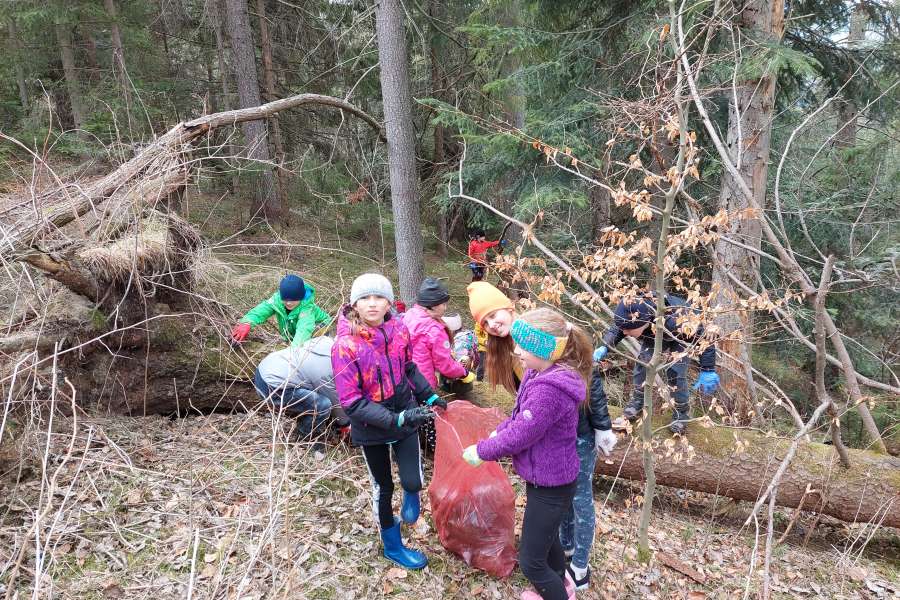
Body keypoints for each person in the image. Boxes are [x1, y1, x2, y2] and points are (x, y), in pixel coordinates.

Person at [462, 308, 592, 600]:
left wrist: (482, 451)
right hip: (544, 479)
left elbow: (522, 435)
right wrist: (499, 431)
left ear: (544, 349)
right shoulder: (537, 371)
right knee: (548, 543)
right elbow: (520, 417)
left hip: (552, 485)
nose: (516, 350)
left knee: (532, 562)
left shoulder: (550, 390)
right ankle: (564, 586)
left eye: (524, 346)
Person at [330, 273, 446, 570]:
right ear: (354, 303)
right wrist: (395, 419)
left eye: (379, 297)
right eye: (365, 298)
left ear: (388, 302)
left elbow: (408, 367)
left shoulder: (398, 330)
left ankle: (412, 492)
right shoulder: (345, 346)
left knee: (412, 479)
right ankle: (393, 546)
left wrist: (429, 397)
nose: (372, 304)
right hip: (372, 428)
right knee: (384, 487)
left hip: (404, 414)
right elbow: (352, 402)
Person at [593, 292, 719, 434]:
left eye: (629, 330)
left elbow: (705, 339)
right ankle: (637, 403)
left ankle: (681, 414)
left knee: (675, 372)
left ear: (643, 321)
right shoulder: (634, 310)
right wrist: (605, 345)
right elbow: (619, 328)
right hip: (653, 332)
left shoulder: (678, 321)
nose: (625, 333)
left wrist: (708, 369)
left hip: (679, 336)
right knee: (643, 364)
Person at [559, 366, 616, 590]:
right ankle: (567, 546)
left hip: (581, 437)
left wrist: (603, 428)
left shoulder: (574, 348)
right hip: (559, 437)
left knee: (581, 500)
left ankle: (580, 567)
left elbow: (595, 389)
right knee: (564, 494)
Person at [403, 278, 476, 450]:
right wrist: (464, 372)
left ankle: (414, 444)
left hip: (402, 378)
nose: (445, 307)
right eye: (443, 304)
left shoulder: (410, 315)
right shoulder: (434, 330)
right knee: (429, 419)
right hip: (422, 382)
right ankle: (438, 451)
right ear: (433, 305)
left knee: (410, 415)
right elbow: (445, 366)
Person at [253, 336, 351, 454]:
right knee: (322, 404)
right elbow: (335, 402)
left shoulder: (325, 341)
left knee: (315, 395)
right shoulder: (326, 369)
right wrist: (345, 424)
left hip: (266, 367)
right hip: (271, 386)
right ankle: (305, 437)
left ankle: (314, 423)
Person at [231, 274, 331, 347]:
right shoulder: (277, 301)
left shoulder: (307, 310)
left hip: (324, 329)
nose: (289, 303)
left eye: (293, 300)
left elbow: (304, 330)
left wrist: (291, 354)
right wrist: (247, 322)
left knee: (311, 348)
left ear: (300, 298)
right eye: (285, 299)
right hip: (294, 336)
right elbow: (261, 310)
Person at [467, 281, 522, 394]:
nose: (491, 325)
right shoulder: (501, 346)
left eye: (492, 315)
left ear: (509, 308)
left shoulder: (537, 336)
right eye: (485, 323)